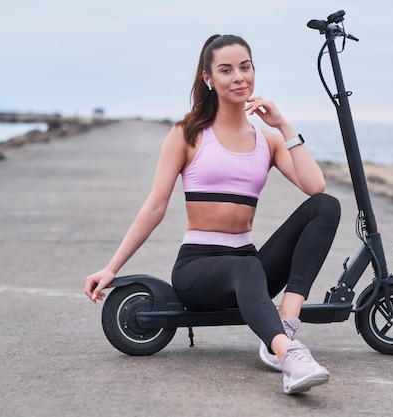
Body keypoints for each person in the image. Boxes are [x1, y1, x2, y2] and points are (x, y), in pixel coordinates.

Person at [85, 34, 341, 394]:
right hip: (198, 270)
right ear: (208, 79)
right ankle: (289, 356)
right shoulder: (187, 134)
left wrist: (283, 126)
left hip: (247, 265)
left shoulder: (267, 141)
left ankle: (286, 322)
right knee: (245, 266)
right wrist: (112, 267)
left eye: (245, 67)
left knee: (326, 207)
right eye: (226, 70)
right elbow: (155, 207)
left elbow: (315, 187)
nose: (239, 77)